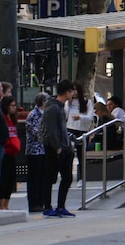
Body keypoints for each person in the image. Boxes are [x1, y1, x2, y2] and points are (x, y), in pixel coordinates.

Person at [41, 80, 76, 218]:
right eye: (71, 91)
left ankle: (61, 206)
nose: (73, 94)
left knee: (67, 177)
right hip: (55, 148)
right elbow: (50, 130)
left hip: (64, 146)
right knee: (50, 177)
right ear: (67, 92)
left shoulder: (61, 106)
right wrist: (57, 147)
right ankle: (48, 206)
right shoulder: (54, 108)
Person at [25, 92, 49, 213]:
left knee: (42, 178)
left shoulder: (45, 114)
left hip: (44, 150)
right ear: (43, 102)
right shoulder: (33, 115)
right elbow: (35, 132)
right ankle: (34, 203)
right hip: (35, 151)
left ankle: (41, 202)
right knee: (35, 178)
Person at [65, 82, 95, 181]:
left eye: (75, 89)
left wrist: (80, 117)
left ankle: (81, 177)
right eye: (71, 90)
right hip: (70, 129)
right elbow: (64, 116)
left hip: (82, 131)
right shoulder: (68, 102)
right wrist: (68, 105)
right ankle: (68, 176)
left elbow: (90, 117)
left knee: (81, 155)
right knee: (69, 154)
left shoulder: (87, 102)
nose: (74, 92)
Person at [0, 96, 21, 210]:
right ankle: (0, 204)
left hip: (13, 152)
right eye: (12, 105)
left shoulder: (12, 119)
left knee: (11, 179)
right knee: (4, 179)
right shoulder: (2, 119)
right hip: (5, 152)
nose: (14, 108)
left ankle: (6, 204)